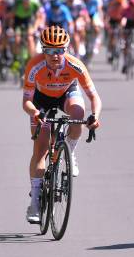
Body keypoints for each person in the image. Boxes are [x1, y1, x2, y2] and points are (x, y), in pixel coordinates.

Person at [22, 26, 101, 223]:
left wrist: (95, 116)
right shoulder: (34, 65)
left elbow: (94, 97)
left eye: (59, 50)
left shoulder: (75, 65)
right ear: (43, 50)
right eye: (49, 50)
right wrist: (35, 113)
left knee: (78, 114)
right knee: (40, 150)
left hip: (67, 93)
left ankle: (70, 151)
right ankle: (35, 202)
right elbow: (26, 101)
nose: (55, 55)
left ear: (66, 49)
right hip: (40, 102)